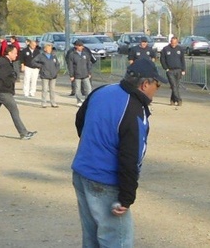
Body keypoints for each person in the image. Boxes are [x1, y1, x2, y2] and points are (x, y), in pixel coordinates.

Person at [71, 58, 167, 247]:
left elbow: (80, 120)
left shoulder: (102, 91)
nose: (157, 89)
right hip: (105, 182)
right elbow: (130, 158)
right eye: (157, 85)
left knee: (91, 238)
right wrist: (126, 197)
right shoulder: (134, 110)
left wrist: (94, 147)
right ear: (145, 84)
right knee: (117, 241)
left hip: (82, 173)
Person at [0, 45, 37, 141]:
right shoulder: (4, 64)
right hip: (4, 92)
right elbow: (0, 79)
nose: (16, 55)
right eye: (15, 53)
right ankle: (23, 133)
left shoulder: (2, 62)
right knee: (14, 111)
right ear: (9, 53)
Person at [31, 43, 60, 108]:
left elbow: (57, 64)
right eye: (48, 48)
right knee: (45, 89)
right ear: (45, 49)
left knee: (52, 90)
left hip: (53, 75)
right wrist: (40, 66)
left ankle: (53, 102)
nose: (49, 50)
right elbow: (33, 62)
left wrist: (56, 71)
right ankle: (44, 102)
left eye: (50, 48)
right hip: (45, 75)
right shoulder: (41, 56)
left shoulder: (53, 56)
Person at [160, 36, 186, 106]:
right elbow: (162, 59)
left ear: (177, 42)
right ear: (170, 42)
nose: (173, 44)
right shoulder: (165, 49)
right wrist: (166, 68)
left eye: (175, 43)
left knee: (176, 86)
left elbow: (182, 60)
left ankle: (172, 100)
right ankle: (179, 100)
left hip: (178, 70)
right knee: (173, 85)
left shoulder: (180, 49)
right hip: (170, 71)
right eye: (172, 43)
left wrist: (183, 69)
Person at [67, 40, 94, 107]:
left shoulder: (85, 54)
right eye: (80, 46)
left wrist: (89, 72)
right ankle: (79, 101)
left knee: (89, 88)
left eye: (82, 46)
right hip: (77, 75)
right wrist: (71, 75)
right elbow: (70, 66)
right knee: (77, 89)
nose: (81, 47)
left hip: (85, 74)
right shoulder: (72, 55)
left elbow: (88, 64)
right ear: (76, 46)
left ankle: (87, 100)